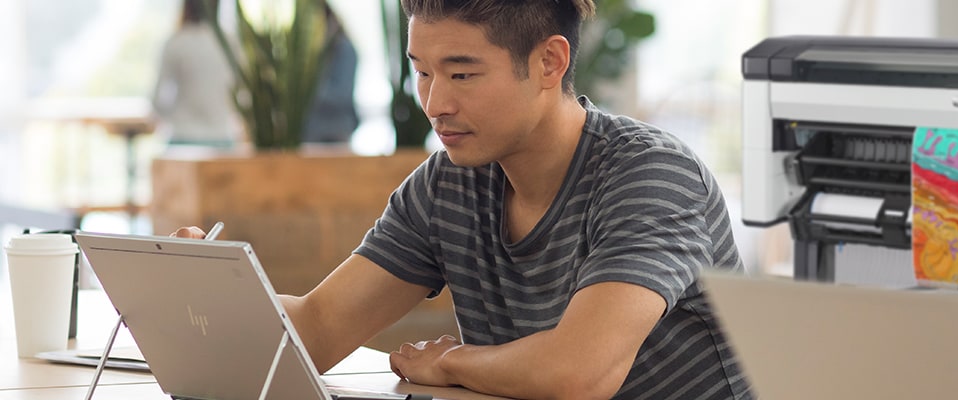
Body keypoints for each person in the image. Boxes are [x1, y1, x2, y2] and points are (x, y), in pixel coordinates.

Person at [174, 0, 755, 398]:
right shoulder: (448, 183)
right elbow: (320, 327)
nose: (434, 104)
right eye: (422, 73)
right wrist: (214, 293)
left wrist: (450, 361)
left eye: (462, 75)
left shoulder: (650, 174)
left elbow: (581, 373)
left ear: (549, 62)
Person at [150, 0, 241, 148]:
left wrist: (175, 117)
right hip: (223, 138)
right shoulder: (231, 43)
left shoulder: (176, 42)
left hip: (182, 138)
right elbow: (242, 96)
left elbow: (157, 101)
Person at [302, 2, 360, 144]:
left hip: (335, 133)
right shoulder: (310, 55)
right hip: (309, 134)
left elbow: (341, 94)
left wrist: (304, 89)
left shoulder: (344, 48)